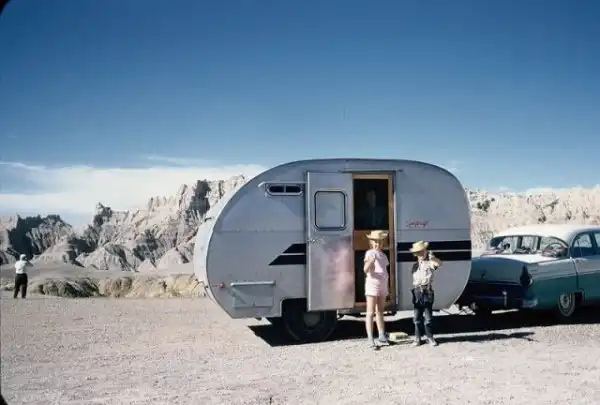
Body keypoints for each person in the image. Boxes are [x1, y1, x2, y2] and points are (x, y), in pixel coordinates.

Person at [409, 241, 443, 346]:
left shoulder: (430, 263)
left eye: (422, 251)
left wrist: (433, 258)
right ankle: (417, 338)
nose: (421, 254)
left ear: (426, 251)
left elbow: (439, 264)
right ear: (415, 254)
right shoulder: (414, 266)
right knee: (416, 317)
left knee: (428, 318)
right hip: (417, 291)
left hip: (427, 290)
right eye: (418, 252)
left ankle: (430, 337)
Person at [363, 230, 391, 348]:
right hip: (372, 284)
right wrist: (370, 262)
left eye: (380, 242)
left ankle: (381, 335)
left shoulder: (383, 255)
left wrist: (387, 284)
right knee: (370, 312)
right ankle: (370, 338)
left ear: (383, 242)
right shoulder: (369, 253)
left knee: (380, 311)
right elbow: (365, 270)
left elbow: (384, 270)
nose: (377, 244)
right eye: (375, 242)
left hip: (382, 284)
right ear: (371, 242)